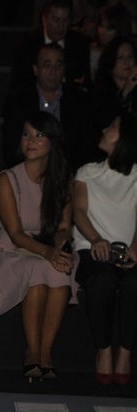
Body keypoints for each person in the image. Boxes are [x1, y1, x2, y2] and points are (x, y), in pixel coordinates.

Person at [0, 110, 74, 379]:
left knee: (59, 271)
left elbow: (63, 227)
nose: (30, 141)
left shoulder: (60, 180)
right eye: (26, 134)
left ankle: (46, 352)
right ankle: (32, 352)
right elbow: (15, 233)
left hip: (46, 248)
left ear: (52, 142)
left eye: (39, 135)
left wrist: (58, 250)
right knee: (37, 268)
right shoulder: (8, 178)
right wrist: (49, 253)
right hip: (13, 251)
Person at [73, 112, 137, 384]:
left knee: (134, 284)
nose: (105, 129)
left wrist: (135, 247)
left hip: (130, 251)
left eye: (112, 126)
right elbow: (79, 211)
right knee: (101, 280)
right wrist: (96, 239)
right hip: (93, 247)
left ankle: (125, 354)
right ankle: (104, 350)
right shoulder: (87, 171)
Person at [4, 42, 99, 170]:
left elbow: (86, 145)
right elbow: (12, 145)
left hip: (69, 170)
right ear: (36, 69)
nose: (53, 71)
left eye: (58, 65)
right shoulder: (19, 100)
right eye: (47, 65)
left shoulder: (79, 100)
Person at [11, 0, 92, 91]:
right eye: (56, 20)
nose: (61, 26)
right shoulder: (27, 45)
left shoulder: (80, 44)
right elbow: (20, 82)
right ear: (44, 19)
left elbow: (85, 82)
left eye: (65, 20)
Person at [93, 35, 137, 128]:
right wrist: (125, 91)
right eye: (120, 58)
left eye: (130, 56)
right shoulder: (100, 93)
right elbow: (103, 121)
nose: (127, 62)